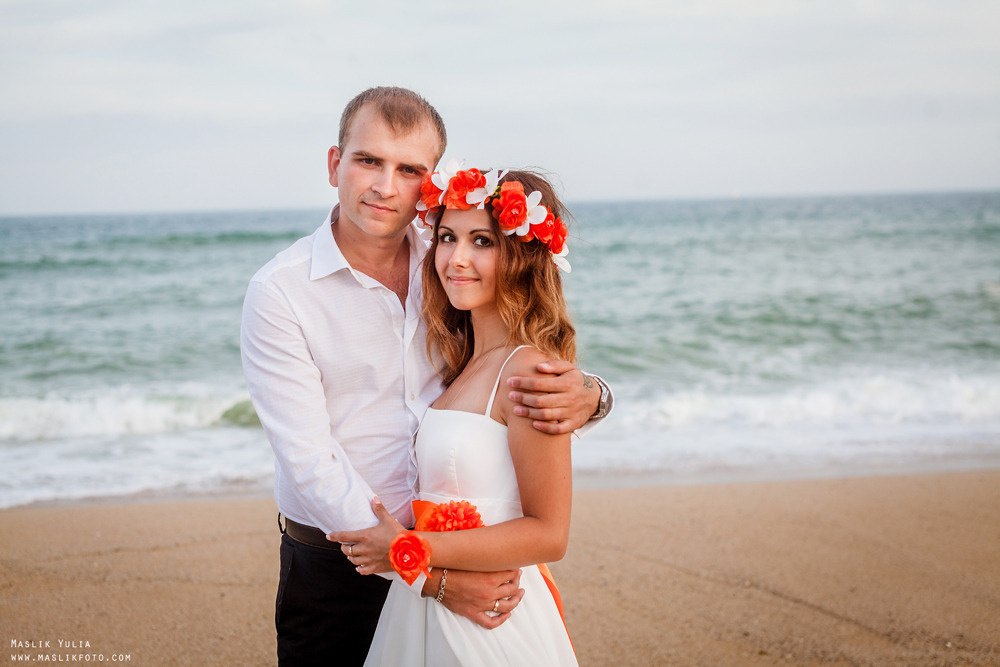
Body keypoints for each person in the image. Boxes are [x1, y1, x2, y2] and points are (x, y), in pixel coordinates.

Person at [240, 87, 611, 665]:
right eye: (369, 161)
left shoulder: (450, 260)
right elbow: (310, 461)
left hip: (463, 557)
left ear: (430, 181)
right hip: (339, 569)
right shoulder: (281, 293)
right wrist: (425, 573)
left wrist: (591, 393)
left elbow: (513, 366)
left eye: (408, 169)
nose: (386, 186)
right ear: (336, 164)